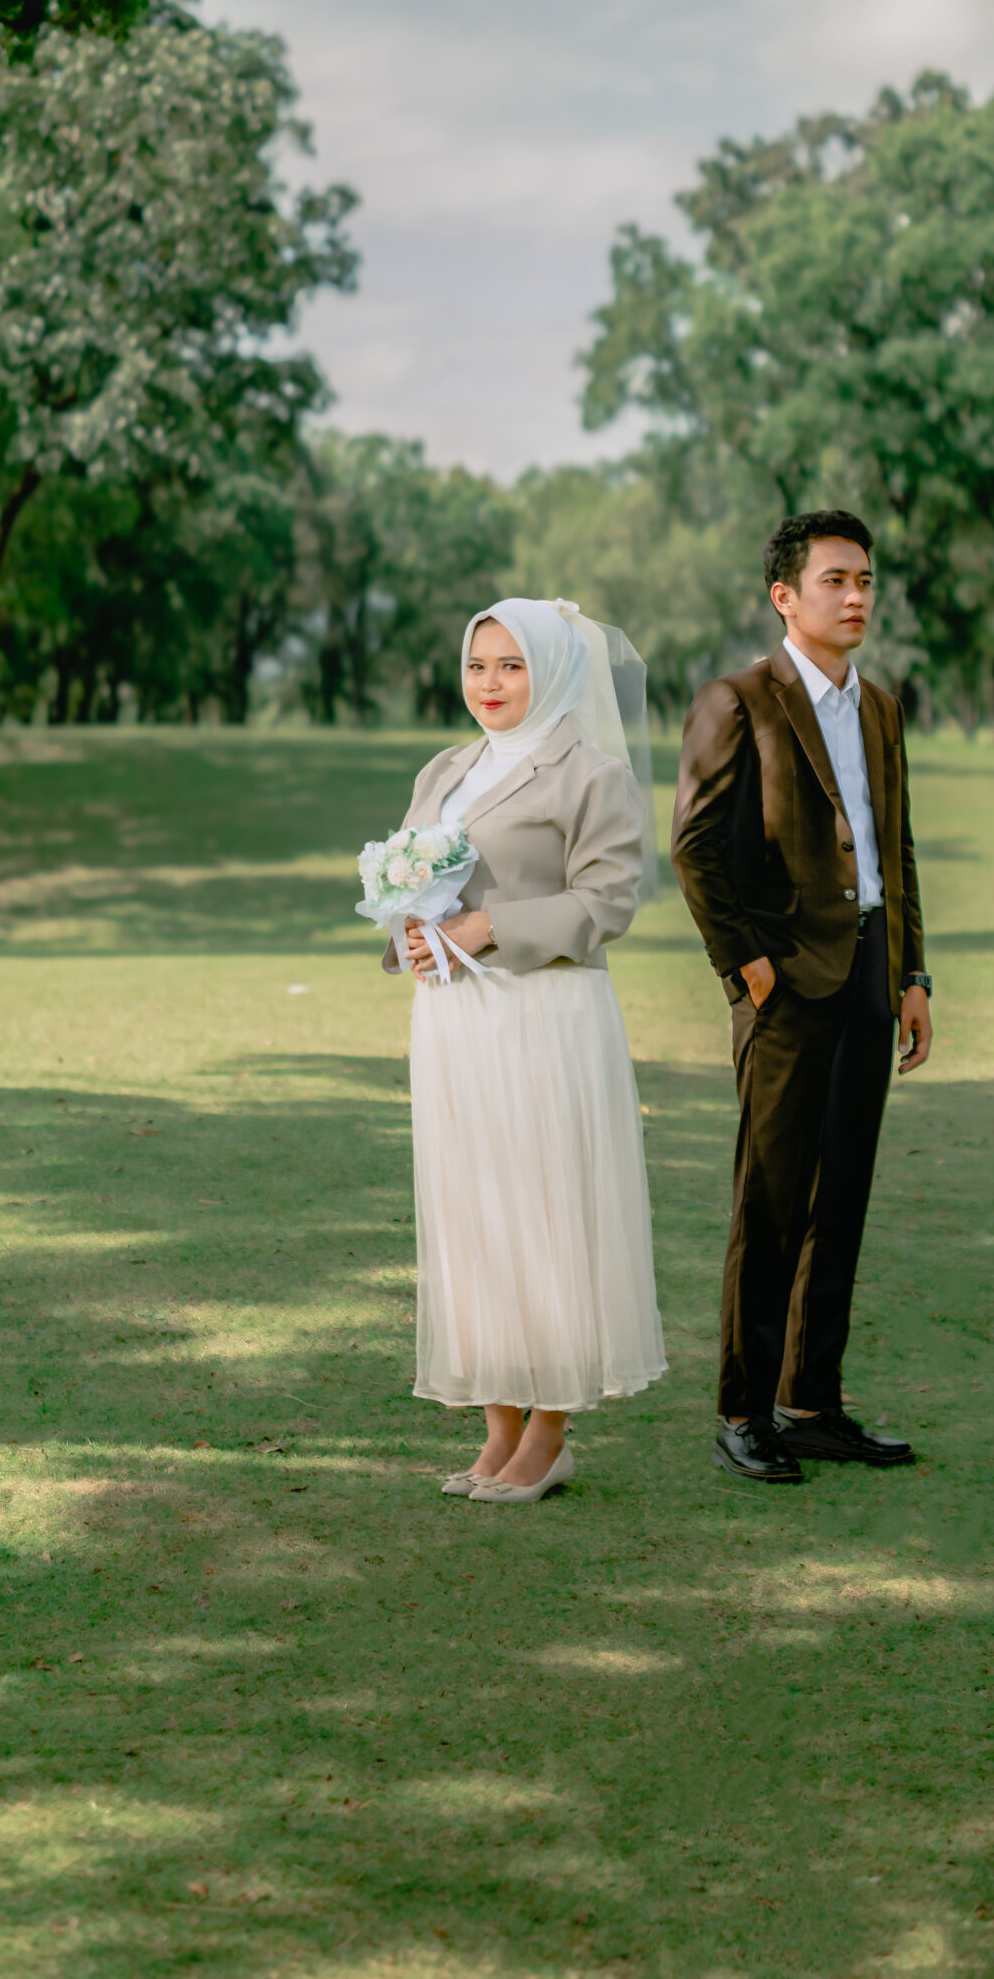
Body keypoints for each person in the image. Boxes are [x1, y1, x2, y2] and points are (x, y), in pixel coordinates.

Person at [383, 598, 667, 1504]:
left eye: (511, 665)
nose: (490, 684)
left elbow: (607, 901)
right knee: (476, 1215)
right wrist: (409, 932)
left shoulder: (590, 775)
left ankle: (548, 1433)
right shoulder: (446, 768)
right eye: (477, 665)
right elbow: (407, 877)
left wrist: (486, 926)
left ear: (551, 672)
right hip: (453, 1020)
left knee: (547, 1214)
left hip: (544, 1017)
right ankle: (497, 1427)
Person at [671, 511, 932, 1483]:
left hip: (869, 977)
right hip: (783, 984)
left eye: (865, 580)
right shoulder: (738, 701)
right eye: (835, 580)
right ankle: (743, 1412)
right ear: (784, 596)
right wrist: (745, 965)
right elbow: (693, 846)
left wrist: (912, 975)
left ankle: (812, 1402)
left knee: (842, 1197)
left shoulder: (882, 709)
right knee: (771, 1202)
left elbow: (896, 849)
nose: (856, 596)